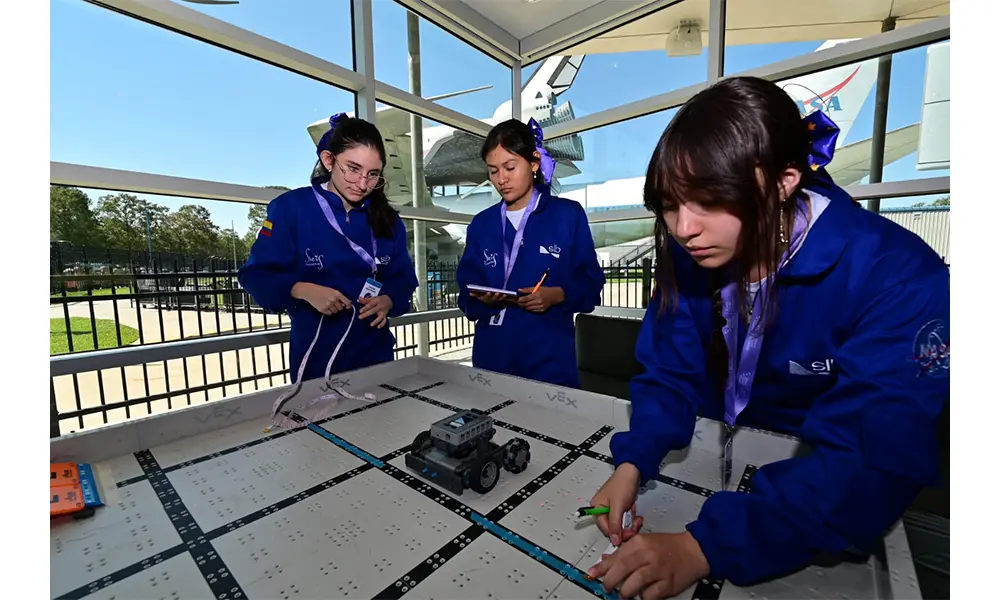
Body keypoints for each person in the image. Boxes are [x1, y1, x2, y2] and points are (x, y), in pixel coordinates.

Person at [587, 77, 949, 599]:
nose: (684, 228)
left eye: (709, 199)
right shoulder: (690, 259)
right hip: (716, 465)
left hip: (812, 504)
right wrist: (633, 461)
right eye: (669, 204)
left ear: (784, 181)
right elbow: (668, 373)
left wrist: (704, 547)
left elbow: (866, 462)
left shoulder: (898, 276)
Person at [239, 114, 419, 386]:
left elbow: (403, 279)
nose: (362, 184)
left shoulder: (389, 221)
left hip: (375, 355)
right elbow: (256, 276)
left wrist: (388, 300)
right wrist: (302, 289)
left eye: (373, 175)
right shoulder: (291, 209)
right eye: (353, 169)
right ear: (328, 160)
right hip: (317, 360)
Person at [456, 118, 606, 388]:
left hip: (550, 362)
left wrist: (557, 295)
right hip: (492, 360)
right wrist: (483, 299)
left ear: (534, 163)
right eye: (493, 171)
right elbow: (465, 295)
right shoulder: (482, 224)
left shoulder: (567, 216)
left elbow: (591, 284)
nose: (501, 179)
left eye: (510, 167)